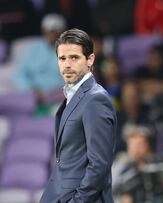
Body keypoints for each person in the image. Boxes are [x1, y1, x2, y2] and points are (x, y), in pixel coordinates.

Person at [40, 28, 117, 203]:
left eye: (74, 57)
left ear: (90, 59)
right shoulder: (72, 96)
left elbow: (99, 165)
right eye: (62, 58)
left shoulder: (95, 99)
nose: (67, 64)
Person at [113, 125, 163, 203]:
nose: (134, 149)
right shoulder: (127, 173)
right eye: (131, 145)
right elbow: (126, 199)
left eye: (138, 144)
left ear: (147, 145)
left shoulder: (162, 164)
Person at [14, 13, 66, 105]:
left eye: (55, 31)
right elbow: (20, 73)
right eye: (49, 31)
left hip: (59, 95)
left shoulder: (70, 49)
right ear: (44, 31)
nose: (52, 34)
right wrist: (31, 90)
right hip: (32, 95)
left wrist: (54, 94)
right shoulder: (35, 47)